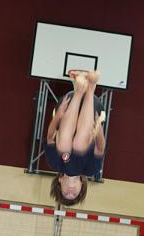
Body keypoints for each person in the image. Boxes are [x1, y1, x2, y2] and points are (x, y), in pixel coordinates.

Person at [45, 70, 105, 206]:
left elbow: (50, 138)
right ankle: (90, 88)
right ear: (81, 187)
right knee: (78, 145)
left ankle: (79, 90)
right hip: (92, 111)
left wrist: (57, 116)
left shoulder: (55, 163)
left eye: (66, 193)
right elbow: (100, 148)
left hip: (67, 107)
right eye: (74, 194)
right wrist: (98, 129)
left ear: (59, 182)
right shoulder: (91, 170)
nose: (70, 191)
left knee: (64, 147)